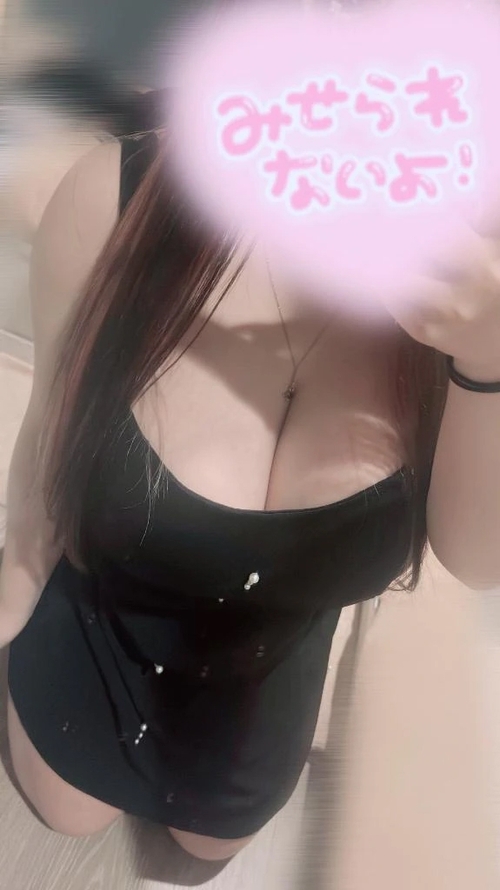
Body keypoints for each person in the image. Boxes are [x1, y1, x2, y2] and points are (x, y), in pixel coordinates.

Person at [2, 44, 500, 868]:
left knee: (206, 842)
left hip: (258, 707)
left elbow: (478, 561)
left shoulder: (481, 289)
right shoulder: (117, 202)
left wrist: (488, 360)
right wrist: (16, 577)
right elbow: (45, 446)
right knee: (68, 812)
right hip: (89, 638)